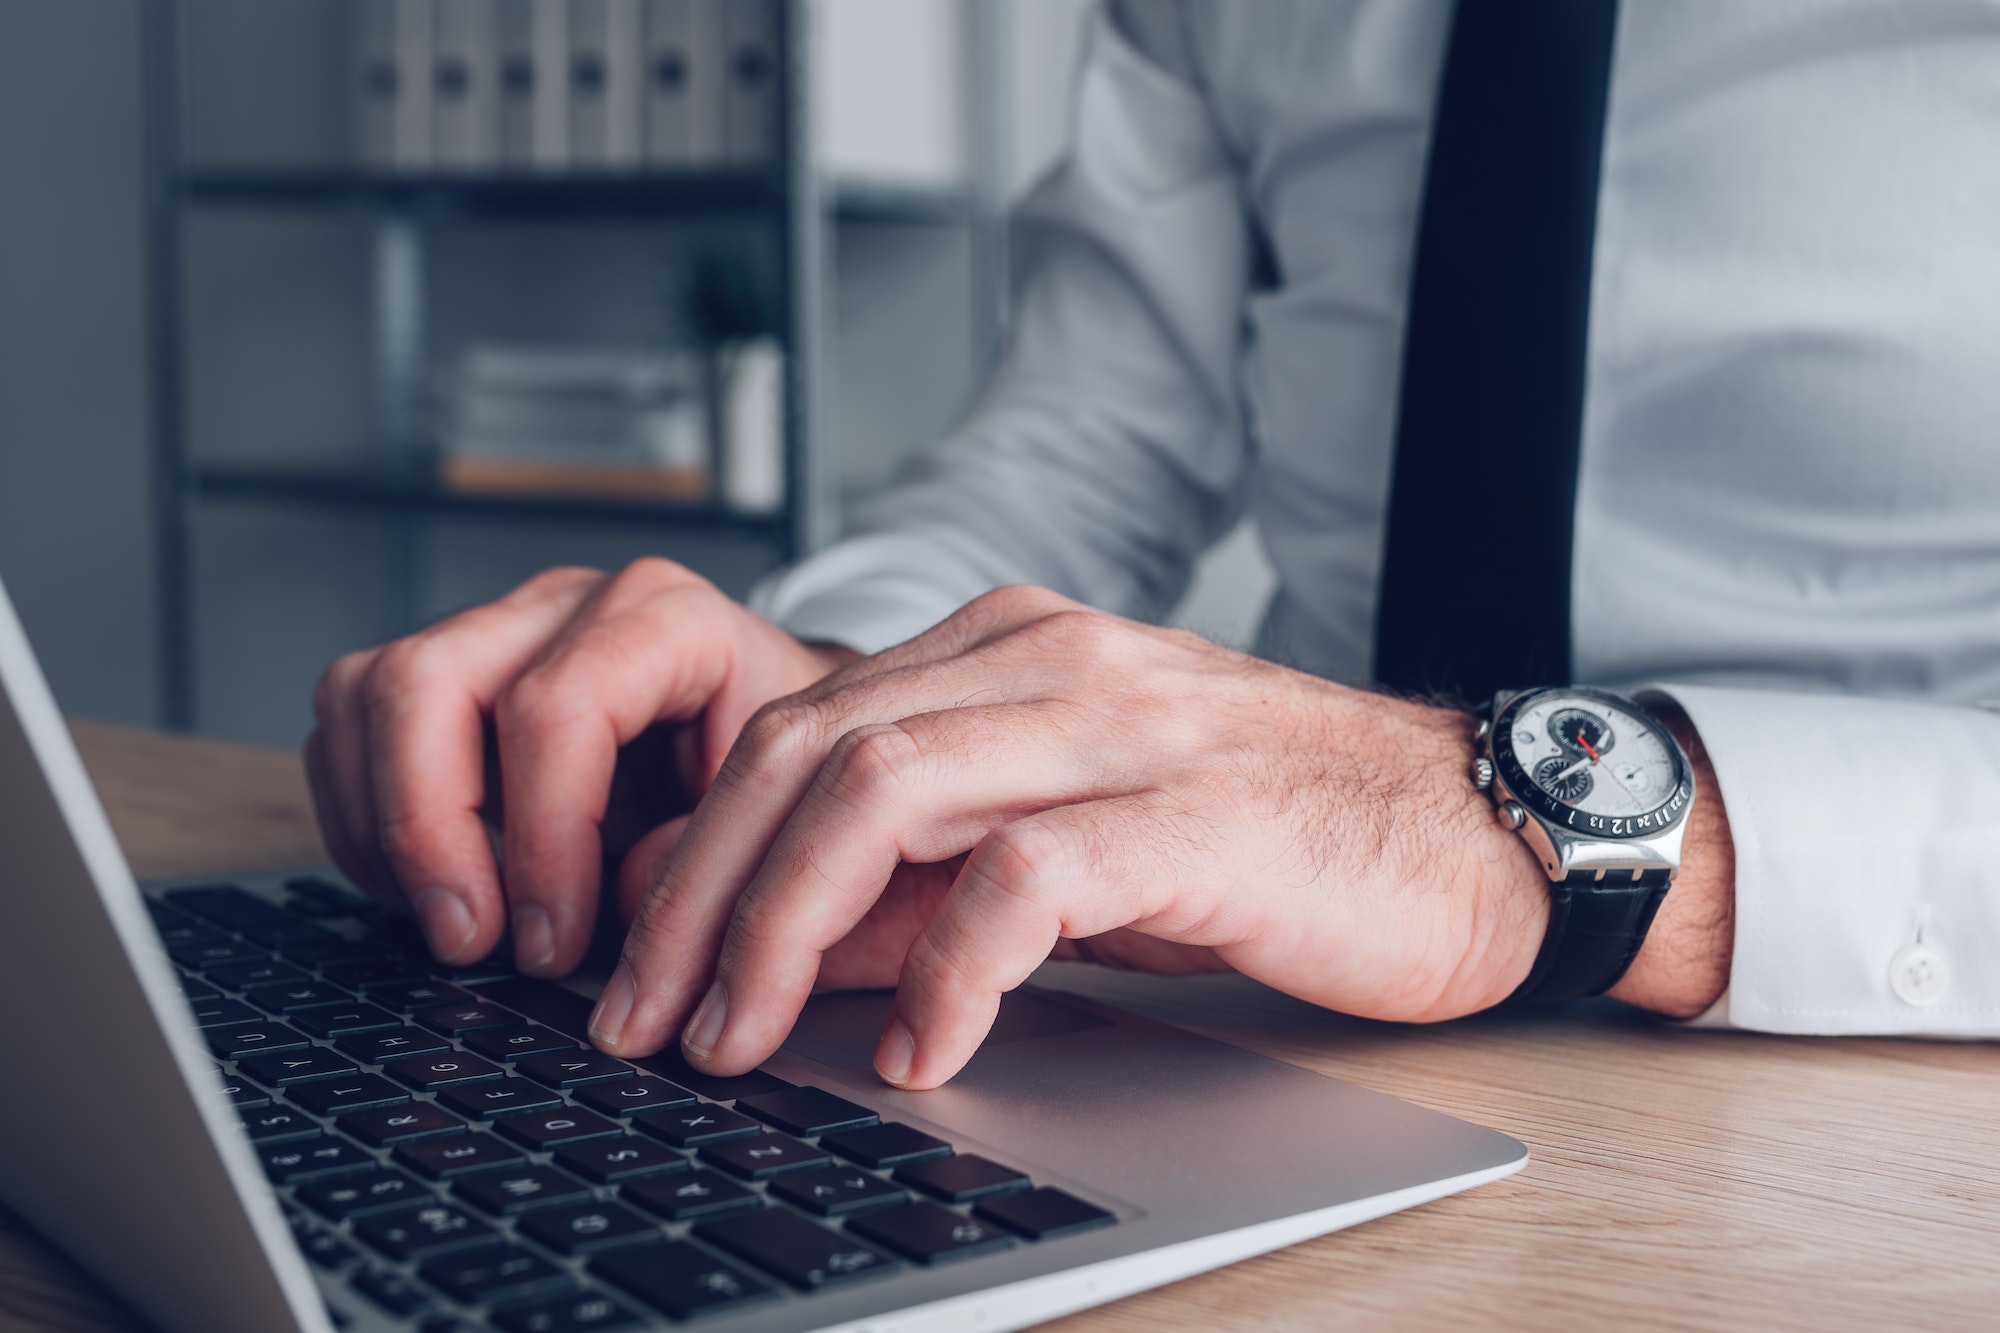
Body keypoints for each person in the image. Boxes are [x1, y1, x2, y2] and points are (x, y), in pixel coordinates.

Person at [306, 0, 2000, 1091]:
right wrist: (841, 694)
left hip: (1882, 1105)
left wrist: (1506, 836)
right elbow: (1089, 438)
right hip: (1275, 1052)